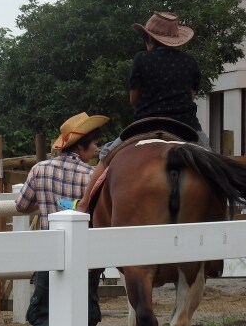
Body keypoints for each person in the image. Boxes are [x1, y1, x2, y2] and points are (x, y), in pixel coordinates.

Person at [77, 12, 208, 213]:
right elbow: (190, 96)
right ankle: (227, 206)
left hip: (145, 125)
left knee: (106, 154)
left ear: (149, 38)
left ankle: (85, 204)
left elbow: (134, 99)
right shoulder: (190, 62)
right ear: (174, 40)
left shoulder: (141, 59)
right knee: (213, 158)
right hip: (185, 125)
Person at [15, 111, 109, 326]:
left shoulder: (40, 170)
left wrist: (47, 202)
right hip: (83, 259)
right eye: (95, 143)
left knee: (42, 310)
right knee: (83, 316)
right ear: (81, 146)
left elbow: (21, 206)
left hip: (50, 256)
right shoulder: (92, 177)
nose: (97, 148)